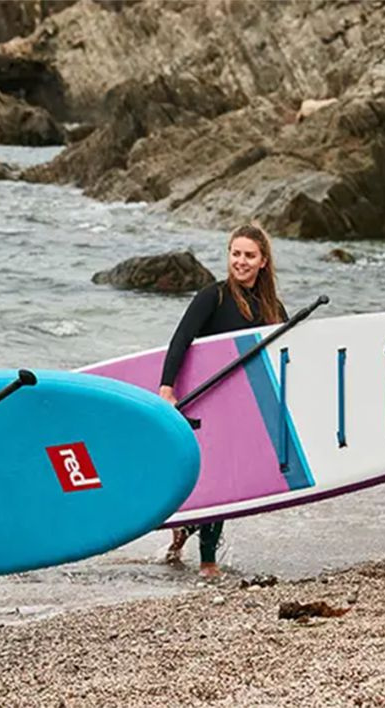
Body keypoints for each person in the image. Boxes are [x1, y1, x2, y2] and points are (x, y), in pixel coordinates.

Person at [158, 224, 287, 578]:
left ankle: (186, 529)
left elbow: (287, 355)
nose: (240, 262)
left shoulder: (273, 307)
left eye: (249, 256)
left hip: (250, 405)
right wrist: (167, 388)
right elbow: (181, 339)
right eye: (235, 254)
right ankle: (208, 562)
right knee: (221, 475)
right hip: (211, 400)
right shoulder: (212, 296)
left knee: (233, 475)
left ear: (263, 261)